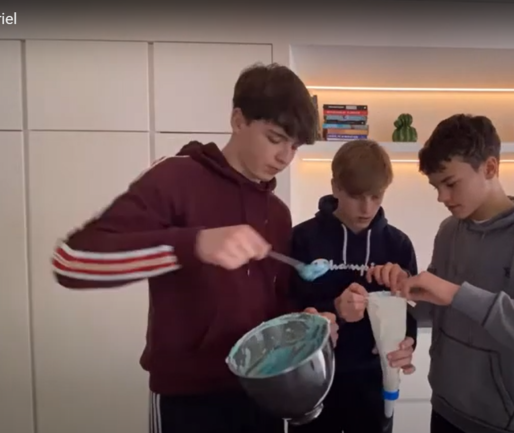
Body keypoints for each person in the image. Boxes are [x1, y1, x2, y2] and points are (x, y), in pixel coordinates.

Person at [51, 63, 337, 433]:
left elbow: (274, 304)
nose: (285, 157)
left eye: (294, 146)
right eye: (275, 138)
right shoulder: (175, 178)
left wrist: (303, 324)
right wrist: (195, 244)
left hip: (265, 393)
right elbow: (72, 262)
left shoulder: (278, 213)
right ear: (238, 120)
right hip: (188, 398)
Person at [366, 114, 514, 433]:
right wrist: (404, 292)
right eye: (436, 186)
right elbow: (441, 307)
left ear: (490, 168)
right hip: (444, 409)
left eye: (451, 184)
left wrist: (457, 293)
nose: (442, 197)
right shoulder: (449, 230)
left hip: (502, 424)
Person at [288, 139, 418, 433]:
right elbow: (286, 309)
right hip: (313, 381)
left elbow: (408, 312)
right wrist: (333, 308)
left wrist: (408, 343)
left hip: (374, 383)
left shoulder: (398, 245)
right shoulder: (302, 239)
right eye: (356, 196)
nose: (367, 207)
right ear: (336, 187)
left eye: (376, 196)